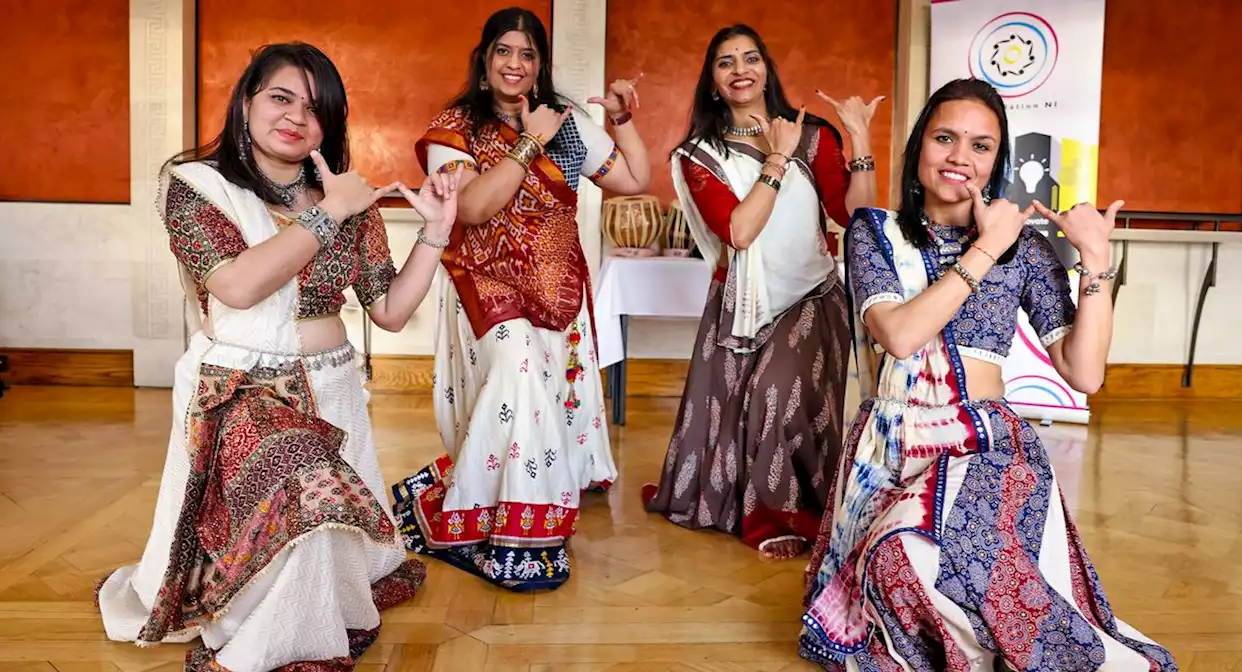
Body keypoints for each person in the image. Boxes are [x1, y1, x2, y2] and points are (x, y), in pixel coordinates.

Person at [96, 42, 459, 671]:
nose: (295, 117)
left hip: (333, 389)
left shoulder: (343, 196)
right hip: (239, 389)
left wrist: (436, 232)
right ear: (246, 103)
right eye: (280, 98)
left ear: (330, 126)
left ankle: (302, 616)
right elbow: (236, 286)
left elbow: (391, 310)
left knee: (313, 517)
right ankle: (276, 647)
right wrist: (327, 216)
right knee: (303, 492)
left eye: (314, 110)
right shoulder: (195, 185)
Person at [799, 78, 1176, 670]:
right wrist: (985, 248)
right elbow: (899, 335)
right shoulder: (875, 231)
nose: (959, 157)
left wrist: (1096, 265)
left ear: (997, 160)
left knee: (934, 558)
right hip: (895, 444)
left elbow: (1085, 373)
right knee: (900, 564)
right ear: (918, 145)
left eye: (981, 146)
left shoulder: (1023, 250)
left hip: (987, 447)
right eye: (944, 138)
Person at [390, 7, 651, 592]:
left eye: (528, 54)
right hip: (485, 283)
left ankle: (491, 500)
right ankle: (521, 537)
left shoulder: (567, 123)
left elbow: (633, 179)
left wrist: (622, 119)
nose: (516, 63)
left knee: (537, 398)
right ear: (484, 63)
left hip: (557, 286)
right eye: (504, 51)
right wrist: (530, 141)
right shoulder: (455, 129)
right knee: (522, 377)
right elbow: (476, 208)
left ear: (540, 66)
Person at [641, 24, 880, 560]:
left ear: (767, 69)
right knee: (731, 411)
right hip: (739, 304)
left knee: (776, 394)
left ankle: (780, 513)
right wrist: (777, 159)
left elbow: (855, 216)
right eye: (726, 62)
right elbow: (740, 230)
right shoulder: (698, 156)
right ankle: (734, 503)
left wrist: (859, 139)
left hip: (812, 294)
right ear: (712, 81)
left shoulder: (812, 134)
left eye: (751, 58)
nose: (741, 69)